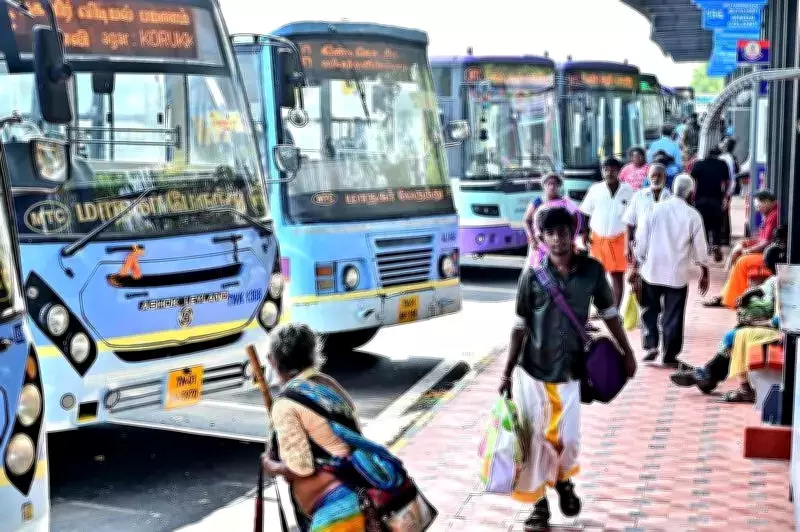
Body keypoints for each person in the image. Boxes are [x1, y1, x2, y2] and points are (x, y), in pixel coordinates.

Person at [499, 206, 636, 532]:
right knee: (533, 442)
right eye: (552, 233)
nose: (559, 239)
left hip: (572, 371)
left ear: (573, 234)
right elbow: (519, 327)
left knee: (568, 440)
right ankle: (538, 507)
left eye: (564, 232)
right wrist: (505, 373)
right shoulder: (532, 277)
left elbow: (610, 313)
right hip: (532, 371)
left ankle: (562, 479)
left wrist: (626, 351)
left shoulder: (592, 271)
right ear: (543, 239)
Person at [260, 323, 369, 532]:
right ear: (313, 354)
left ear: (274, 361)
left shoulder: (286, 404)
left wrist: (270, 466)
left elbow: (300, 468)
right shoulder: (328, 384)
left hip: (331, 507)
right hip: (357, 489)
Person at [670, 243, 786, 403]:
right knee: (737, 332)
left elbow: (780, 321)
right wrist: (750, 293)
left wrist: (756, 324)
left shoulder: (788, 283)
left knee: (738, 335)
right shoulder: (777, 279)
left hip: (782, 334)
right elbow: (765, 288)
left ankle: (727, 382)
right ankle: (709, 374)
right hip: (778, 330)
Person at [632, 174, 710, 367]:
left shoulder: (654, 209)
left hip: (651, 270)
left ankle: (650, 345)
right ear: (691, 193)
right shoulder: (692, 215)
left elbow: (641, 238)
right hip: (677, 273)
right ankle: (669, 354)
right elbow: (700, 247)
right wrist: (704, 270)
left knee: (649, 309)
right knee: (673, 314)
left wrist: (639, 260)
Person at [703, 189, 780, 308]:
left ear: (766, 202)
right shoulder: (770, 214)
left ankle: (731, 299)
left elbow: (765, 242)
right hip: (765, 252)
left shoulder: (774, 216)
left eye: (759, 206)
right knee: (739, 256)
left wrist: (747, 250)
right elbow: (761, 238)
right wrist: (746, 243)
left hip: (770, 257)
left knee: (742, 262)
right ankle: (727, 295)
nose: (757, 209)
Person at [580, 157, 634, 308]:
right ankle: (599, 307)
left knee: (617, 276)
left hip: (619, 239)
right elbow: (585, 212)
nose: (609, 172)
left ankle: (615, 311)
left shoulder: (628, 191)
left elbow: (634, 218)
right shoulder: (595, 190)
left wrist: (631, 241)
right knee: (596, 276)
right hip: (598, 239)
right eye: (606, 169)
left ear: (619, 172)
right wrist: (585, 233)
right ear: (602, 171)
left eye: (613, 169)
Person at [523, 173, 582, 266]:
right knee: (538, 270)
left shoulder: (566, 203)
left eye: (555, 184)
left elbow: (577, 220)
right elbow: (527, 220)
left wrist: (572, 238)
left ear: (559, 186)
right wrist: (532, 238)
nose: (552, 186)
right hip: (540, 245)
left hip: (560, 243)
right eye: (549, 184)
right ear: (544, 186)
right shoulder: (538, 202)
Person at [622, 163, 671, 264]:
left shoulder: (671, 197)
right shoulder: (639, 195)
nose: (656, 178)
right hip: (642, 247)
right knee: (642, 277)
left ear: (665, 177)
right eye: (653, 175)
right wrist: (627, 247)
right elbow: (629, 222)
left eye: (659, 175)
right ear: (648, 176)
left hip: (664, 249)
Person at [690, 146, 732, 263]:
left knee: (703, 225)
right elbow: (727, 182)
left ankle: (706, 247)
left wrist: (691, 197)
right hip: (716, 199)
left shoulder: (698, 164)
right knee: (716, 225)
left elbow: (692, 182)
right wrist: (725, 196)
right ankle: (716, 245)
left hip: (700, 200)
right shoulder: (722, 164)